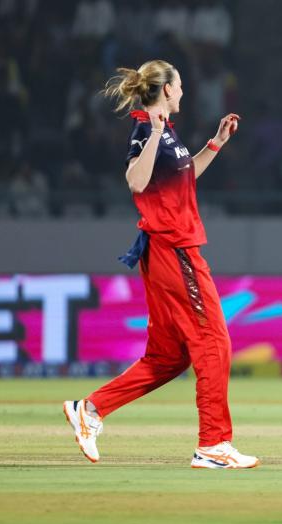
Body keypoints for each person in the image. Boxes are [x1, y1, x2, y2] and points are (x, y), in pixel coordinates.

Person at [63, 60, 258, 469]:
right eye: (180, 85)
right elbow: (135, 181)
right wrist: (153, 133)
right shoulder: (146, 129)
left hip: (166, 250)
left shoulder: (165, 131)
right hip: (174, 248)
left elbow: (182, 178)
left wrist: (215, 144)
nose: (184, 91)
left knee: (168, 356)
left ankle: (90, 409)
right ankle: (213, 444)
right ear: (166, 90)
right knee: (213, 342)